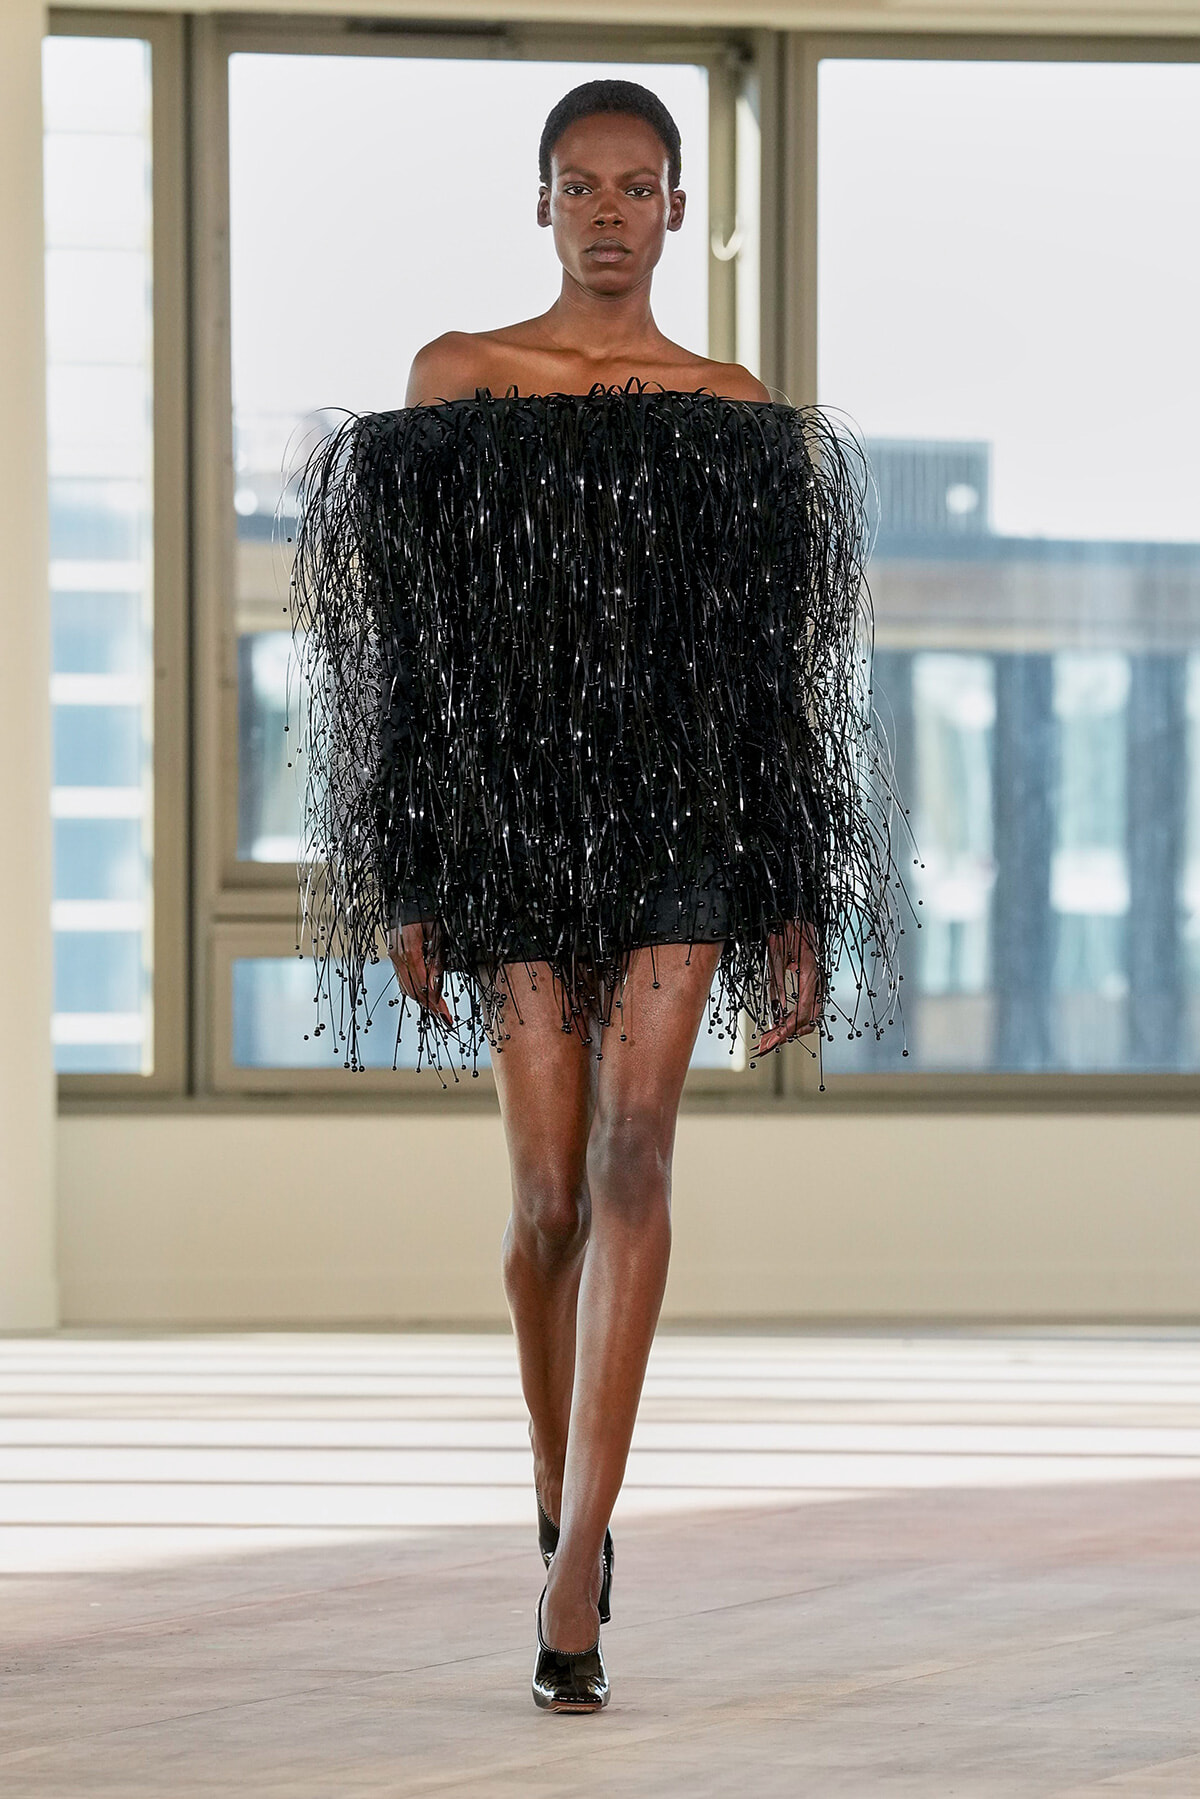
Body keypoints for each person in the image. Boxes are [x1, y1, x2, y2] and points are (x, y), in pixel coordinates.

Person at [291, 78, 909, 1712]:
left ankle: (579, 1568)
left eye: (643, 187)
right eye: (584, 186)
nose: (613, 212)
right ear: (544, 204)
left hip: (685, 820)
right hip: (501, 825)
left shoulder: (728, 403)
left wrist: (788, 888)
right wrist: (410, 866)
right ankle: (556, 1484)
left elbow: (773, 673)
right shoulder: (454, 383)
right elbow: (403, 664)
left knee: (641, 1154)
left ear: (681, 211)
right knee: (547, 1206)